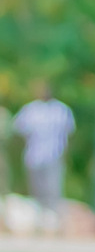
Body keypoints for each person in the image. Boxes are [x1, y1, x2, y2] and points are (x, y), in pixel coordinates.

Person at [14, 82, 76, 233]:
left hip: (54, 155)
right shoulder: (30, 109)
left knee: (53, 189)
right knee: (36, 189)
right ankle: (39, 222)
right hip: (34, 156)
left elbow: (69, 133)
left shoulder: (61, 109)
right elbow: (18, 129)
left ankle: (55, 223)